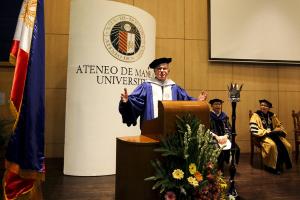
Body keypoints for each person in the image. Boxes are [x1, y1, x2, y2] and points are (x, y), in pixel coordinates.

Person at [119, 57, 207, 127]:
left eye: (164, 69)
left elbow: (186, 101)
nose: (162, 71)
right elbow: (136, 101)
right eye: (159, 68)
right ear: (154, 71)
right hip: (150, 128)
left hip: (171, 128)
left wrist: (197, 101)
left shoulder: (174, 88)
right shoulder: (146, 86)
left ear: (168, 71)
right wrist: (127, 101)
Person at [249, 99, 292, 174]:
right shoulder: (256, 115)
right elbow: (253, 129)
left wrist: (278, 130)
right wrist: (267, 132)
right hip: (262, 136)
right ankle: (271, 167)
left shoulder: (272, 116)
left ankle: (280, 164)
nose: (263, 107)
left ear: (269, 108)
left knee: (287, 145)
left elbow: (279, 126)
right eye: (262, 105)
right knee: (272, 145)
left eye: (265, 105)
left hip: (274, 135)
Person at [209, 98, 240, 170]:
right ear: (212, 106)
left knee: (236, 148)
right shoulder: (208, 116)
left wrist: (226, 136)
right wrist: (216, 137)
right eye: (215, 104)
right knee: (217, 148)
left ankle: (230, 164)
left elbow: (229, 128)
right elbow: (207, 129)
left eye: (219, 104)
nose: (218, 106)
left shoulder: (224, 116)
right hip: (213, 137)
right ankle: (217, 168)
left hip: (224, 137)